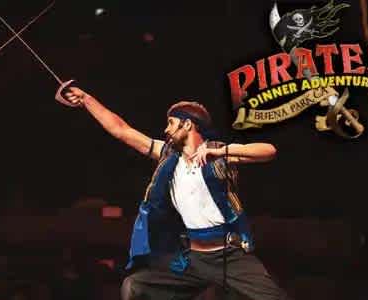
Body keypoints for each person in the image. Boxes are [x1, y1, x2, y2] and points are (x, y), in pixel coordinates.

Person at [60, 87, 288, 299]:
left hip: (229, 256)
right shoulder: (168, 155)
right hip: (194, 259)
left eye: (171, 123)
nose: (166, 129)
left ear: (188, 125)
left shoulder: (218, 153)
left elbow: (269, 151)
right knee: (135, 287)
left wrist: (220, 151)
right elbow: (121, 130)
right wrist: (86, 100)